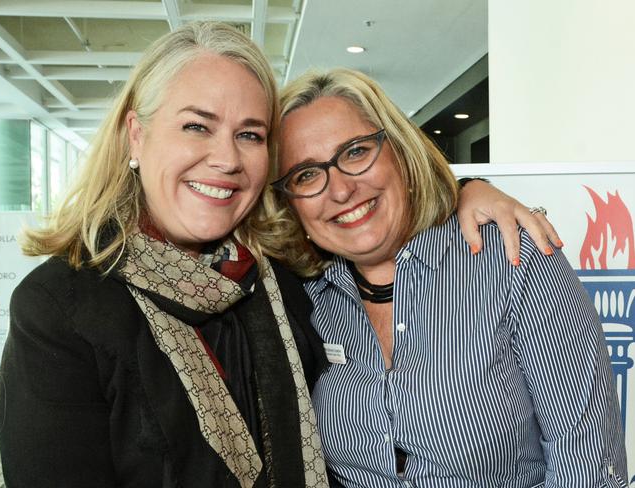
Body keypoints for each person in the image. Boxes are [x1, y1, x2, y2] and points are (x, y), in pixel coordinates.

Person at [0, 21, 561, 488]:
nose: (225, 159)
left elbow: (372, 208)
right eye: (197, 126)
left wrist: (469, 191)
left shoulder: (281, 282)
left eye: (249, 134)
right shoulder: (60, 308)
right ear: (136, 136)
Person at [269, 68, 628, 487]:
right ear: (290, 203)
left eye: (355, 152)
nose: (341, 189)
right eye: (306, 175)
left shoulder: (512, 258)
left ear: (399, 151)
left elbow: (588, 464)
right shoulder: (302, 295)